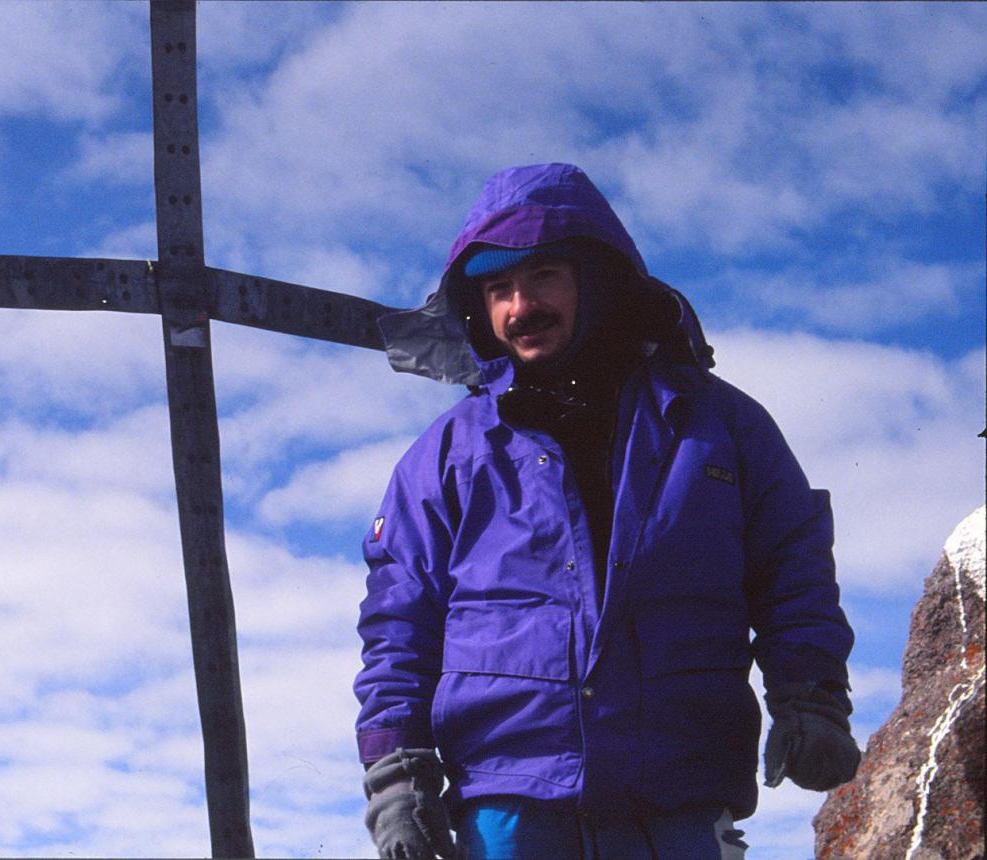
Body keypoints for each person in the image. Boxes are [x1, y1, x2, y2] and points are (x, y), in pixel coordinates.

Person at [354, 163, 860, 859]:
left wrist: (811, 695)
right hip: (507, 800)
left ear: (598, 278)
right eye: (498, 289)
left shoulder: (721, 428)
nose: (518, 307)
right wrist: (397, 776)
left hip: (679, 789)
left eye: (542, 279)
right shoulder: (445, 456)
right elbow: (399, 622)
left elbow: (793, 569)